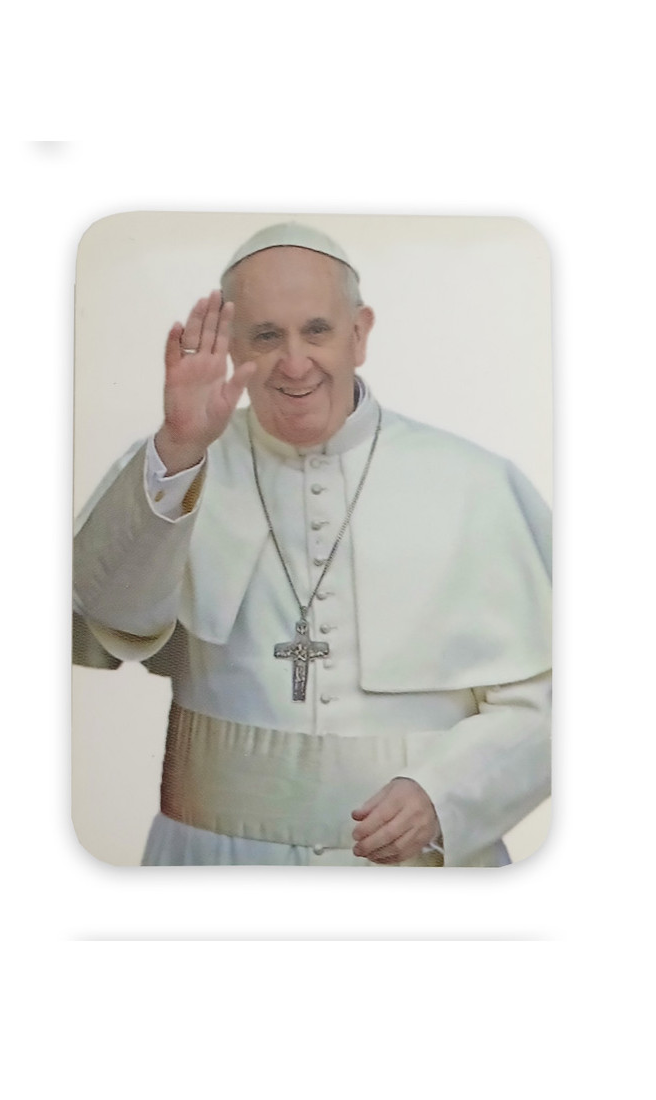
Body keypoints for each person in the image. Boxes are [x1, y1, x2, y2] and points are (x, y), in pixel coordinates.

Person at [73, 222, 551, 867]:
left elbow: (553, 700)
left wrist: (447, 795)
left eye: (317, 331)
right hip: (213, 866)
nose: (295, 364)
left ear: (360, 333)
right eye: (266, 336)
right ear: (232, 344)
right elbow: (108, 620)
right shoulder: (175, 463)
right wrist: (179, 447)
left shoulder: (476, 483)